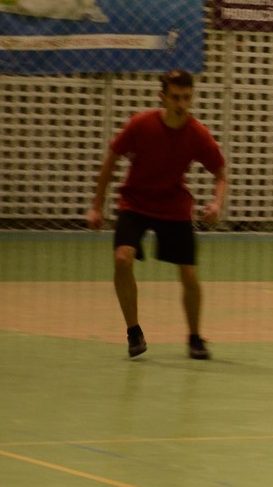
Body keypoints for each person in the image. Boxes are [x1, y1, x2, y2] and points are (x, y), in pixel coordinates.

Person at [87, 69, 228, 360]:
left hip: (174, 206)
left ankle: (194, 338)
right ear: (162, 97)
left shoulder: (197, 133)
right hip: (136, 203)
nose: (181, 104)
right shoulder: (141, 124)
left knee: (188, 273)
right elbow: (112, 160)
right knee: (122, 259)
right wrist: (97, 205)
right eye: (175, 97)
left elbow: (220, 173)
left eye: (186, 97)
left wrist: (217, 203)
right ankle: (134, 332)